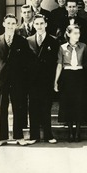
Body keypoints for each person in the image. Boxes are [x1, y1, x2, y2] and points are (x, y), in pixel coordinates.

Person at [0, 14, 30, 147]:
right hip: (2, 79)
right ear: (4, 24)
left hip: (17, 80)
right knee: (2, 108)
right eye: (8, 23)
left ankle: (18, 136)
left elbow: (25, 62)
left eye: (13, 23)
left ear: (16, 25)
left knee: (18, 108)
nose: (10, 26)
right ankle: (2, 137)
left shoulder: (22, 41)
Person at [26, 15, 59, 144]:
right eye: (37, 24)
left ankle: (48, 135)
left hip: (47, 80)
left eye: (41, 23)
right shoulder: (28, 40)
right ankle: (34, 135)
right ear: (34, 25)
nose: (39, 26)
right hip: (32, 80)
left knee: (46, 107)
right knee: (33, 108)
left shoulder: (53, 40)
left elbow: (56, 62)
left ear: (46, 24)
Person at [54, 24, 87, 142]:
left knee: (79, 104)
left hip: (79, 76)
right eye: (75, 33)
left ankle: (78, 133)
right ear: (68, 34)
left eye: (78, 33)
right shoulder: (62, 47)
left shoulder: (83, 46)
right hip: (67, 77)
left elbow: (86, 64)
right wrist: (56, 81)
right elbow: (59, 64)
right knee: (68, 104)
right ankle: (70, 132)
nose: (77, 35)